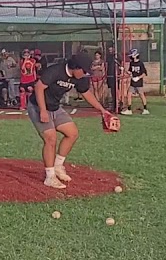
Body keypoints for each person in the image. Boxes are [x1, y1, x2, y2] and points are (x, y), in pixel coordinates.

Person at [30, 52, 113, 189]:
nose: (85, 74)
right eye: (83, 70)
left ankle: (58, 166)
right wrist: (43, 110)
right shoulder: (56, 70)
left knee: (72, 133)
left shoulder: (80, 78)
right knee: (51, 139)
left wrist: (102, 110)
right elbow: (39, 87)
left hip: (55, 107)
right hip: (38, 106)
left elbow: (87, 94)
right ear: (75, 67)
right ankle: (50, 177)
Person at [122, 48, 150, 115]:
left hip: (139, 82)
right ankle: (129, 110)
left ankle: (145, 109)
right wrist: (124, 70)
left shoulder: (141, 63)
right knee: (129, 94)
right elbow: (129, 72)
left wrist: (138, 78)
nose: (131, 56)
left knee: (141, 95)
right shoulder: (131, 63)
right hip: (132, 82)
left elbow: (144, 73)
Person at [104, 45, 120, 111]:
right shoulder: (108, 57)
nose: (110, 51)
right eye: (109, 50)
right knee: (112, 90)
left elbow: (120, 64)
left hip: (115, 75)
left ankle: (117, 103)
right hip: (110, 75)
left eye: (111, 50)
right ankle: (113, 103)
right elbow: (107, 65)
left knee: (116, 89)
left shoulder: (117, 56)